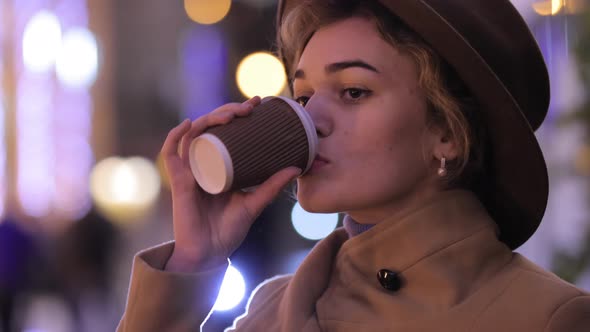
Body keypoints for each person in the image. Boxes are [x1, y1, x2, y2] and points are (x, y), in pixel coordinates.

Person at [117, 0, 590, 330]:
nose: (310, 119)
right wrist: (194, 260)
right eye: (303, 95)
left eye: (354, 92)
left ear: (447, 130)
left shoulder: (547, 319)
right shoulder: (270, 312)